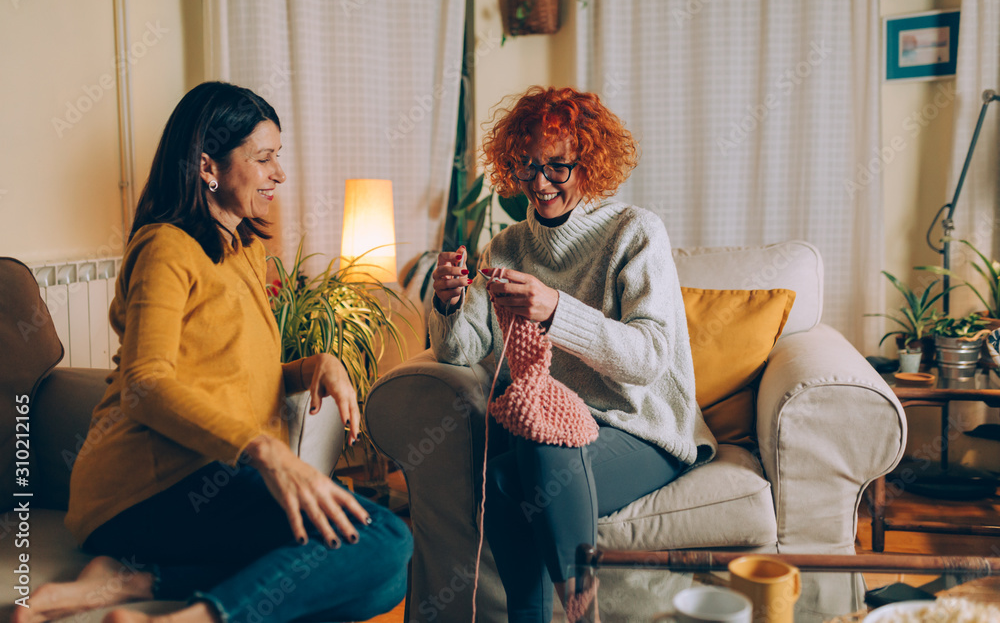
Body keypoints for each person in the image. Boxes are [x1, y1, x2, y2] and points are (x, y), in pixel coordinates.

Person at [16, 82, 412, 623]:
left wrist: (313, 366)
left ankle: (131, 582)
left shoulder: (243, 249)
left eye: (279, 157)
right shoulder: (165, 247)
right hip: (144, 488)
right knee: (385, 537)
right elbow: (145, 384)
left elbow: (230, 373)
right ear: (209, 165)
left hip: (204, 480)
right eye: (264, 158)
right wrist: (266, 452)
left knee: (379, 579)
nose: (279, 174)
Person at [430, 86, 716, 623]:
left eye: (558, 167)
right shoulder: (508, 247)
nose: (540, 183)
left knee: (538, 445)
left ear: (591, 163)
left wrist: (557, 309)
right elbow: (459, 350)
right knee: (505, 477)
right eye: (527, 166)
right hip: (558, 433)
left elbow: (650, 358)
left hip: (643, 429)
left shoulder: (635, 231)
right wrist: (447, 301)